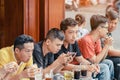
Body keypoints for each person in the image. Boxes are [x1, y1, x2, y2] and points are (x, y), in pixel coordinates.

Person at [78, 15, 115, 80]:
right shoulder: (86, 40)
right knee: (104, 67)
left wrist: (107, 45)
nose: (107, 31)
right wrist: (106, 46)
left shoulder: (97, 39)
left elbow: (101, 59)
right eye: (106, 28)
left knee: (109, 62)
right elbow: (95, 61)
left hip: (91, 64)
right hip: (80, 67)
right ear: (99, 29)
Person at [105, 9, 120, 79]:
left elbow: (111, 49)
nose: (113, 25)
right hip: (101, 58)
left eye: (115, 23)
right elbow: (109, 52)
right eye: (111, 22)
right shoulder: (103, 31)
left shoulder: (109, 33)